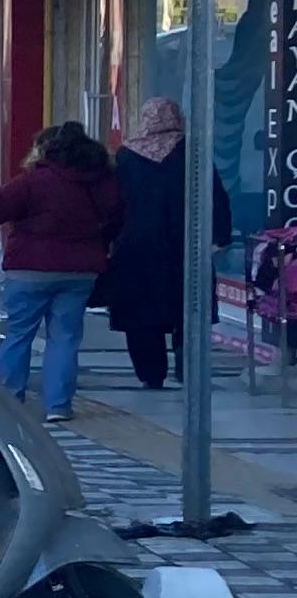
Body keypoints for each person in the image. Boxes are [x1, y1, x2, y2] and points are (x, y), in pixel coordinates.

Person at [0, 124, 122, 420]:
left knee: (19, 334)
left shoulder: (34, 181)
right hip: (80, 270)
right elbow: (117, 219)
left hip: (30, 269)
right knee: (65, 338)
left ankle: (7, 403)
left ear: (46, 150)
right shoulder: (102, 182)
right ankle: (58, 405)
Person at [101, 96, 230, 392]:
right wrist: (220, 236)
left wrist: (106, 238)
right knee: (189, 309)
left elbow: (113, 203)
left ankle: (151, 373)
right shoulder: (193, 151)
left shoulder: (127, 156)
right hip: (186, 246)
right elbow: (215, 195)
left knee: (140, 313)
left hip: (136, 247)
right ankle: (189, 369)